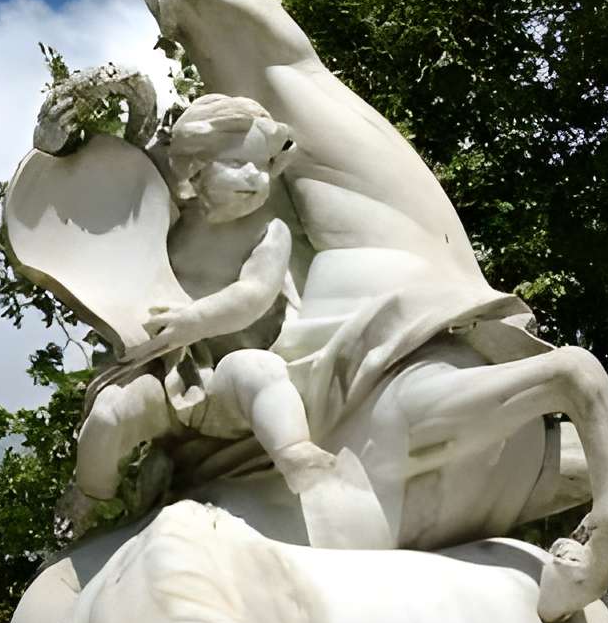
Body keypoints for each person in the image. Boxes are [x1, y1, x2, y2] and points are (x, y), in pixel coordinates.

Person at [57, 91, 389, 549]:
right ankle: (88, 495)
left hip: (227, 380)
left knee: (260, 372)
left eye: (261, 165)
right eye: (238, 164)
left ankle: (298, 460)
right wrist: (61, 137)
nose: (255, 176)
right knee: (110, 415)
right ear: (195, 166)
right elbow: (106, 193)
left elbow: (253, 295)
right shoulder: (167, 216)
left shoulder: (268, 232)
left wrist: (194, 319)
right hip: (164, 376)